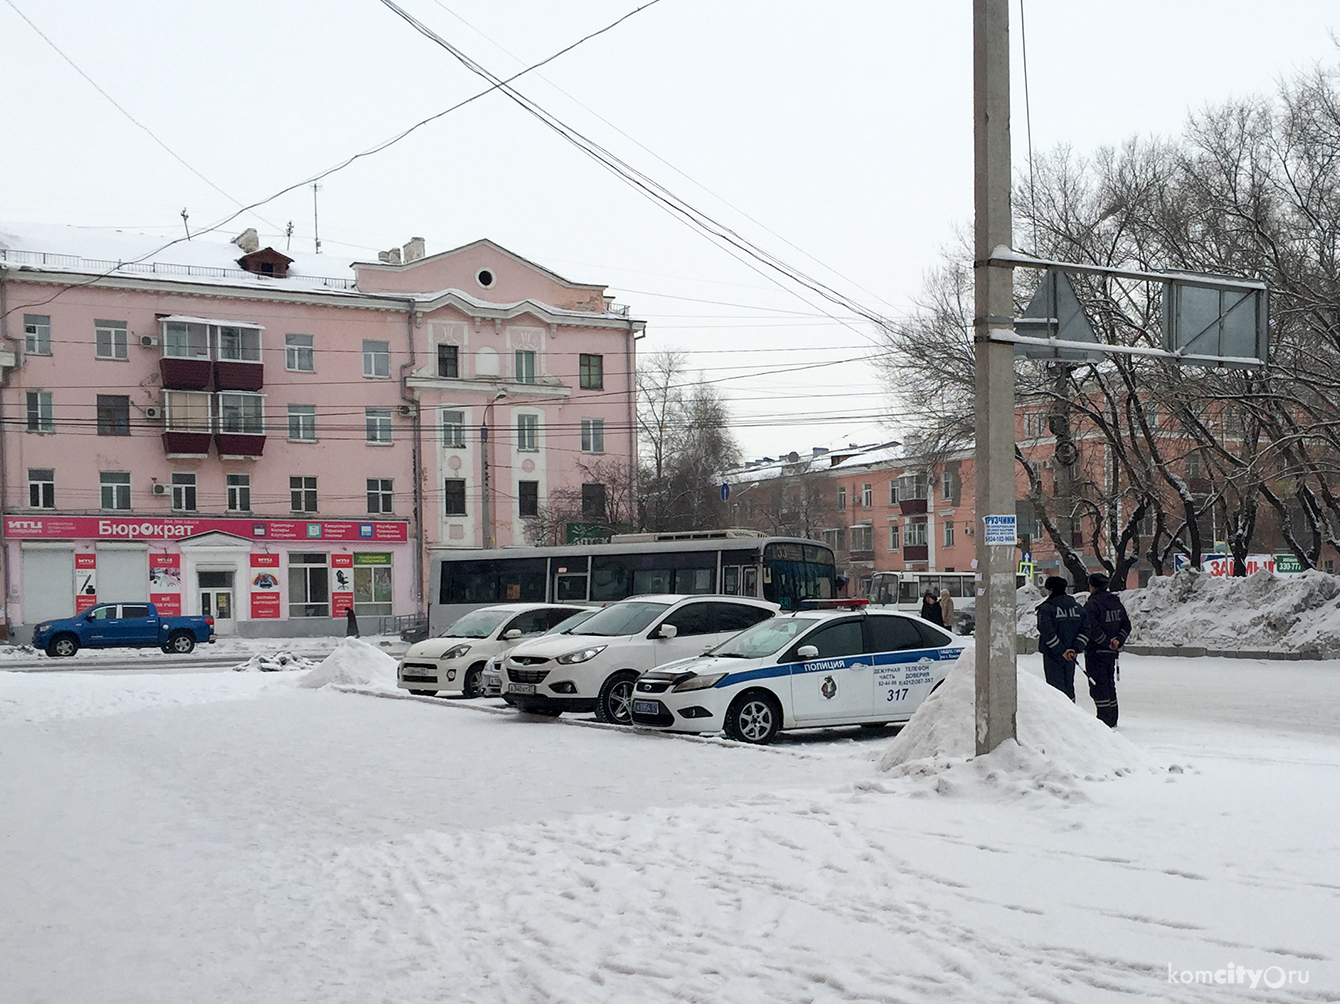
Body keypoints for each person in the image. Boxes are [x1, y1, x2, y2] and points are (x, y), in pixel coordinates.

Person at [1078, 572, 1130, 727]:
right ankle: (1113, 717)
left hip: (1096, 652)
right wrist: (1117, 641)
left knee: (1098, 686)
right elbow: (1126, 625)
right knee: (1109, 683)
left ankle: (1104, 719)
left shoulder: (1092, 605)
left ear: (1092, 587)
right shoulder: (1116, 602)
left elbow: (1092, 628)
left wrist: (1106, 642)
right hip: (1111, 653)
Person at [1036, 576, 1084, 700]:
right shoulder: (1078, 608)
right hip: (1071, 656)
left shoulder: (1046, 608)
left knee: (1055, 690)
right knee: (1069, 686)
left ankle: (1059, 716)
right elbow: (1085, 629)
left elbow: (1047, 632)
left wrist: (1061, 650)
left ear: (1050, 590)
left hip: (1053, 655)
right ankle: (1071, 712)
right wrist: (1074, 649)